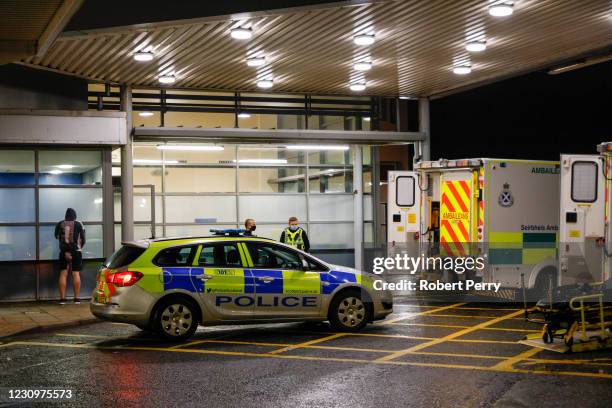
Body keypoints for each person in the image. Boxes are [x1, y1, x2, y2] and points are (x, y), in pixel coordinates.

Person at [55, 208, 86, 304]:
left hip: (64, 252)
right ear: (74, 216)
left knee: (63, 274)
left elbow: (56, 236)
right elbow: (83, 238)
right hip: (76, 251)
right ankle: (76, 299)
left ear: (66, 215)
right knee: (75, 274)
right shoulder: (78, 223)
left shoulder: (60, 223)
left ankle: (62, 299)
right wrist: (79, 247)